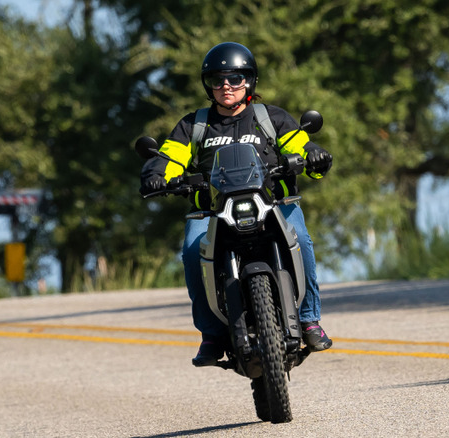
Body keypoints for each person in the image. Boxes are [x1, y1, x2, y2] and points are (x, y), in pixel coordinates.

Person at [139, 42, 334, 366]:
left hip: (274, 203)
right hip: (212, 212)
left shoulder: (270, 118)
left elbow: (299, 143)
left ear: (250, 81)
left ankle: (309, 320)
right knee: (191, 250)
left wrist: (313, 154)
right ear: (208, 85)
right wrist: (156, 174)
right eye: (218, 80)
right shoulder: (194, 125)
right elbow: (170, 157)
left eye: (235, 78)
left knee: (301, 239)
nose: (226, 86)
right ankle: (211, 334)